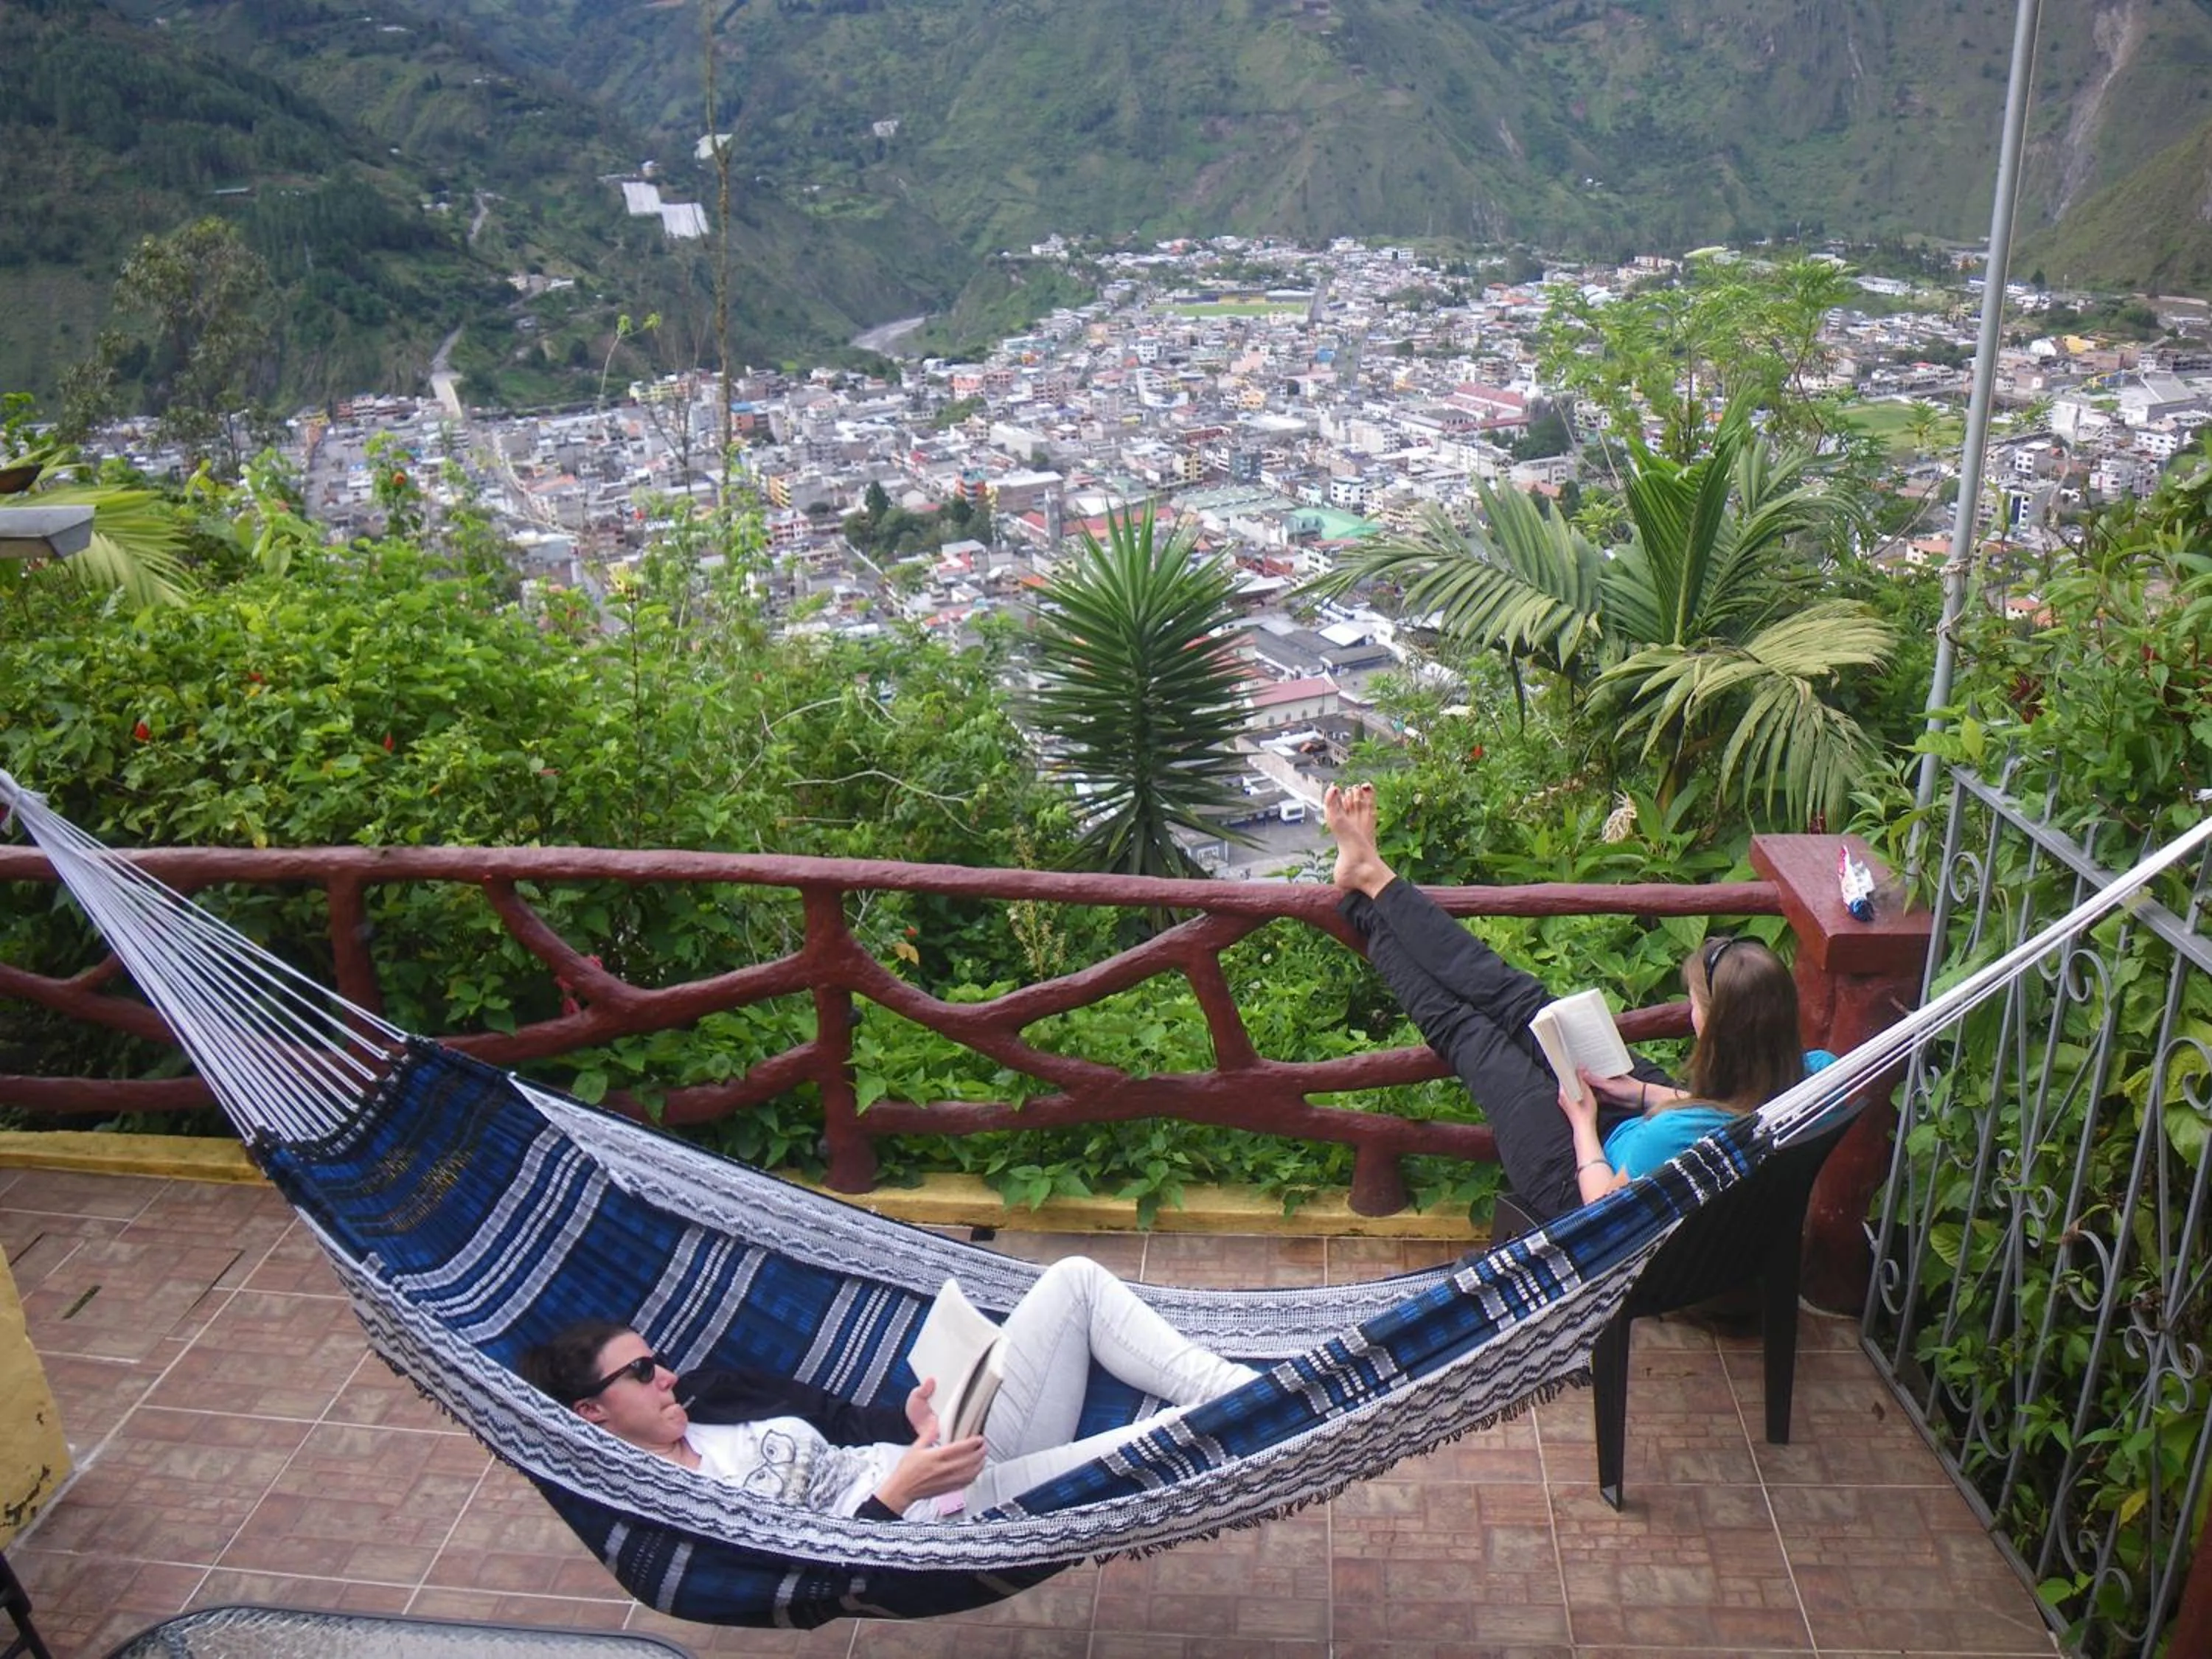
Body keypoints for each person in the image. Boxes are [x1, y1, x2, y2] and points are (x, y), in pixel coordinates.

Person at [1324, 781, 1826, 1221]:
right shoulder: (1819, 1075)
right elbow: (1734, 1111)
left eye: (1696, 1003)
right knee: (1525, 1004)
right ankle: (1373, 877)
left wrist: (1584, 1123)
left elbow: (1602, 1212)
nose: (1691, 1011)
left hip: (1577, 1184)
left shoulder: (1669, 1137)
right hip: (1670, 1150)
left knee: (1468, 1030)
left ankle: (1361, 902)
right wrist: (1641, 1094)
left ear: (1716, 1029)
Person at [519, 1255, 1258, 1521]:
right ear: (591, 1411)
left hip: (948, 1454)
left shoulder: (715, 1394)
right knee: (1157, 1443)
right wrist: (897, 1496)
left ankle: (1264, 1389)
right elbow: (809, 1581)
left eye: (659, 1359)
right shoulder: (662, 1505)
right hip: (941, 1527)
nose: (668, 1376)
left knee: (1075, 1284)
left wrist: (908, 1419)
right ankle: (1276, 1410)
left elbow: (841, 1421)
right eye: (643, 1373)